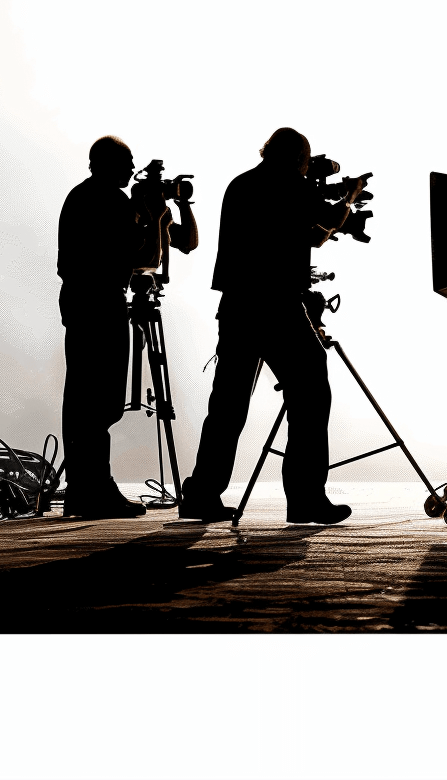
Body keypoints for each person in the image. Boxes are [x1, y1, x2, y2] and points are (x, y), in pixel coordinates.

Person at [179, 128, 365, 524]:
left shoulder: (242, 184)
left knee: (227, 406)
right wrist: (349, 194)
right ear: (297, 157)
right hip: (276, 305)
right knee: (312, 389)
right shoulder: (290, 185)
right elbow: (329, 223)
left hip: (237, 306)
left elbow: (308, 237)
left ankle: (201, 493)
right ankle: (305, 497)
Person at [57, 135, 197, 517]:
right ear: (104, 163)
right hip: (99, 302)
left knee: (85, 399)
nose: (131, 170)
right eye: (127, 162)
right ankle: (93, 490)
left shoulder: (82, 195)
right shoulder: (109, 199)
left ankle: (85, 489)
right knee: (99, 401)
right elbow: (135, 250)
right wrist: (150, 212)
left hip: (86, 300)